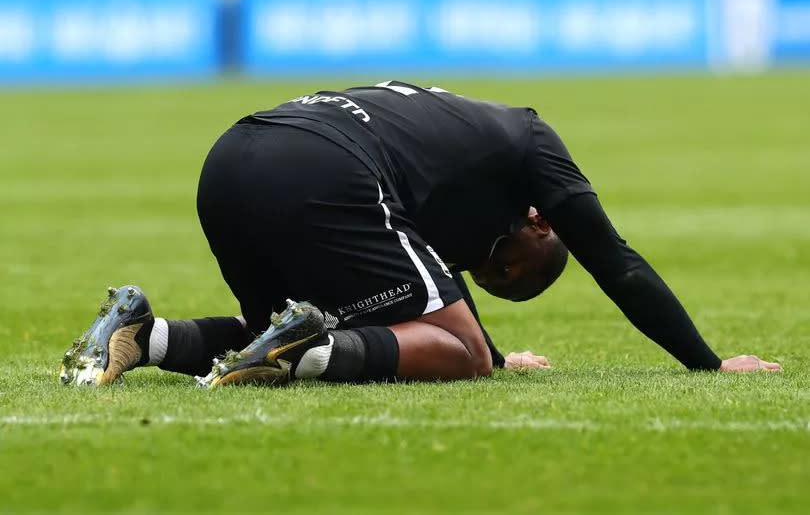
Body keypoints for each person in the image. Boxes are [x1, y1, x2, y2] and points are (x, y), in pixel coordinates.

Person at [59, 81, 781, 388]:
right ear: (538, 222)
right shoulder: (531, 140)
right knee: (464, 356)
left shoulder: (456, 136)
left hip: (232, 155)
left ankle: (143, 333)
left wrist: (502, 346)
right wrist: (708, 365)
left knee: (264, 331)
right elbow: (616, 263)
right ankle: (313, 353)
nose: (483, 271)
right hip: (322, 165)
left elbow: (437, 270)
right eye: (507, 267)